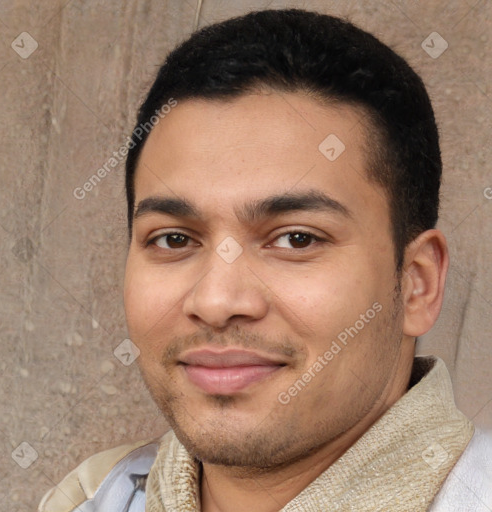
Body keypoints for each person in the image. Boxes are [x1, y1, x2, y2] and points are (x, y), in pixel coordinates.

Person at [39, 8, 492, 512]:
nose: (216, 301)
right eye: (173, 240)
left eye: (296, 239)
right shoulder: (89, 499)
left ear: (416, 284)